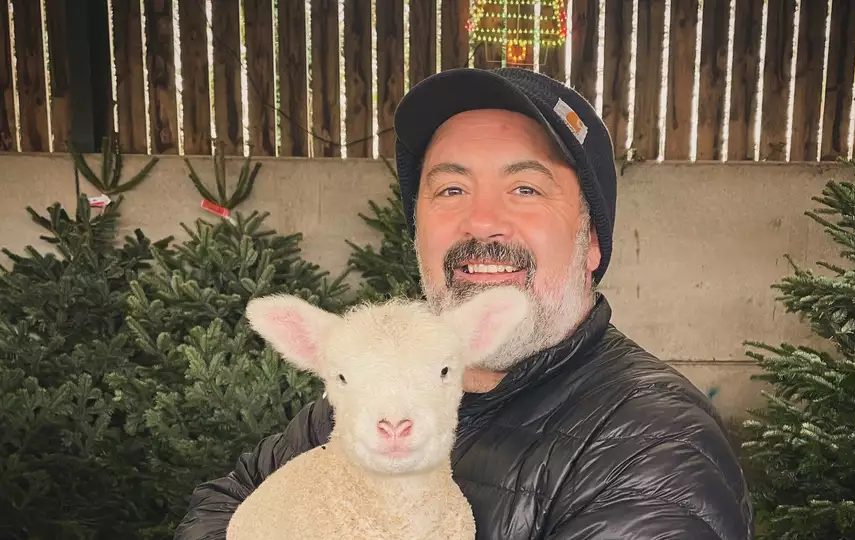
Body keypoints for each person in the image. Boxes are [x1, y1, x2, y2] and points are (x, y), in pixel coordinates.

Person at [174, 67, 754, 539]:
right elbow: (225, 501)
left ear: (592, 241)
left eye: (525, 187)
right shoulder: (372, 387)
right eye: (451, 189)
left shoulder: (653, 452)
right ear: (419, 230)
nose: (481, 221)